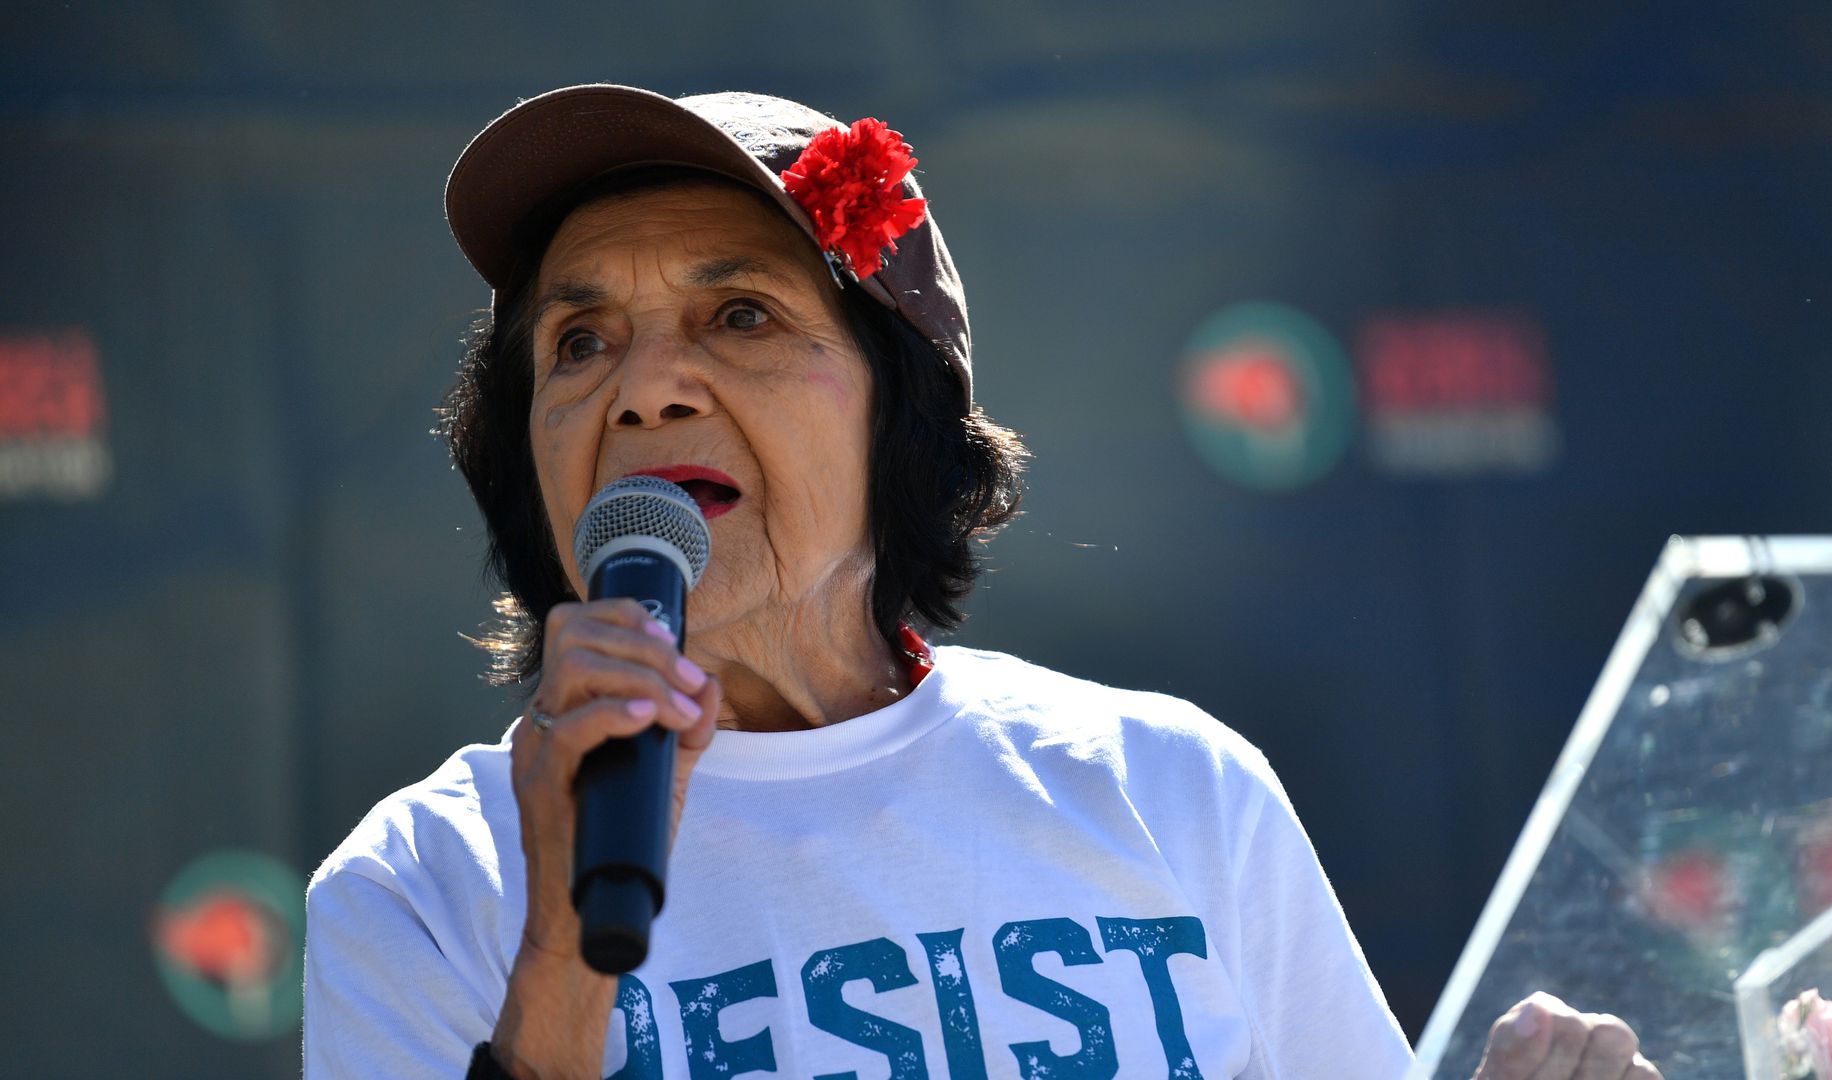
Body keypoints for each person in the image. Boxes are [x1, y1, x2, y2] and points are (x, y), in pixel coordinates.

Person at [302, 83, 1660, 1080]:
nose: (647, 387)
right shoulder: (422, 885)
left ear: (898, 411)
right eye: (580, 340)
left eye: (741, 316)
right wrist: (557, 958)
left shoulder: (1170, 787)